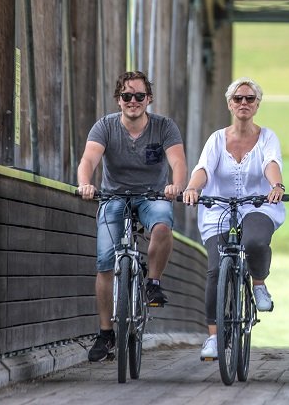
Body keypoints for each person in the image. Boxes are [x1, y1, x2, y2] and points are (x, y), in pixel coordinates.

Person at [77, 70, 187, 362]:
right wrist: (86, 183)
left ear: (148, 99)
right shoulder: (105, 127)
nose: (133, 101)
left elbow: (177, 161)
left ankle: (153, 283)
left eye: (140, 96)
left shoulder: (164, 127)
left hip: (153, 196)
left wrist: (175, 185)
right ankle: (106, 334)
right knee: (104, 263)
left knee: (163, 225)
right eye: (127, 96)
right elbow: (89, 159)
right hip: (114, 196)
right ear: (118, 100)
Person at [182, 77, 287, 361]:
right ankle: (214, 339)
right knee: (216, 270)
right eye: (238, 99)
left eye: (249, 99)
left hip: (257, 205)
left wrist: (276, 187)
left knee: (254, 241)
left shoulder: (267, 137)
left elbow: (270, 164)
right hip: (218, 207)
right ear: (230, 104)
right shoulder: (217, 139)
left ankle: (259, 284)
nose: (244, 103)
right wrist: (193, 188)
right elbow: (203, 168)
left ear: (257, 104)